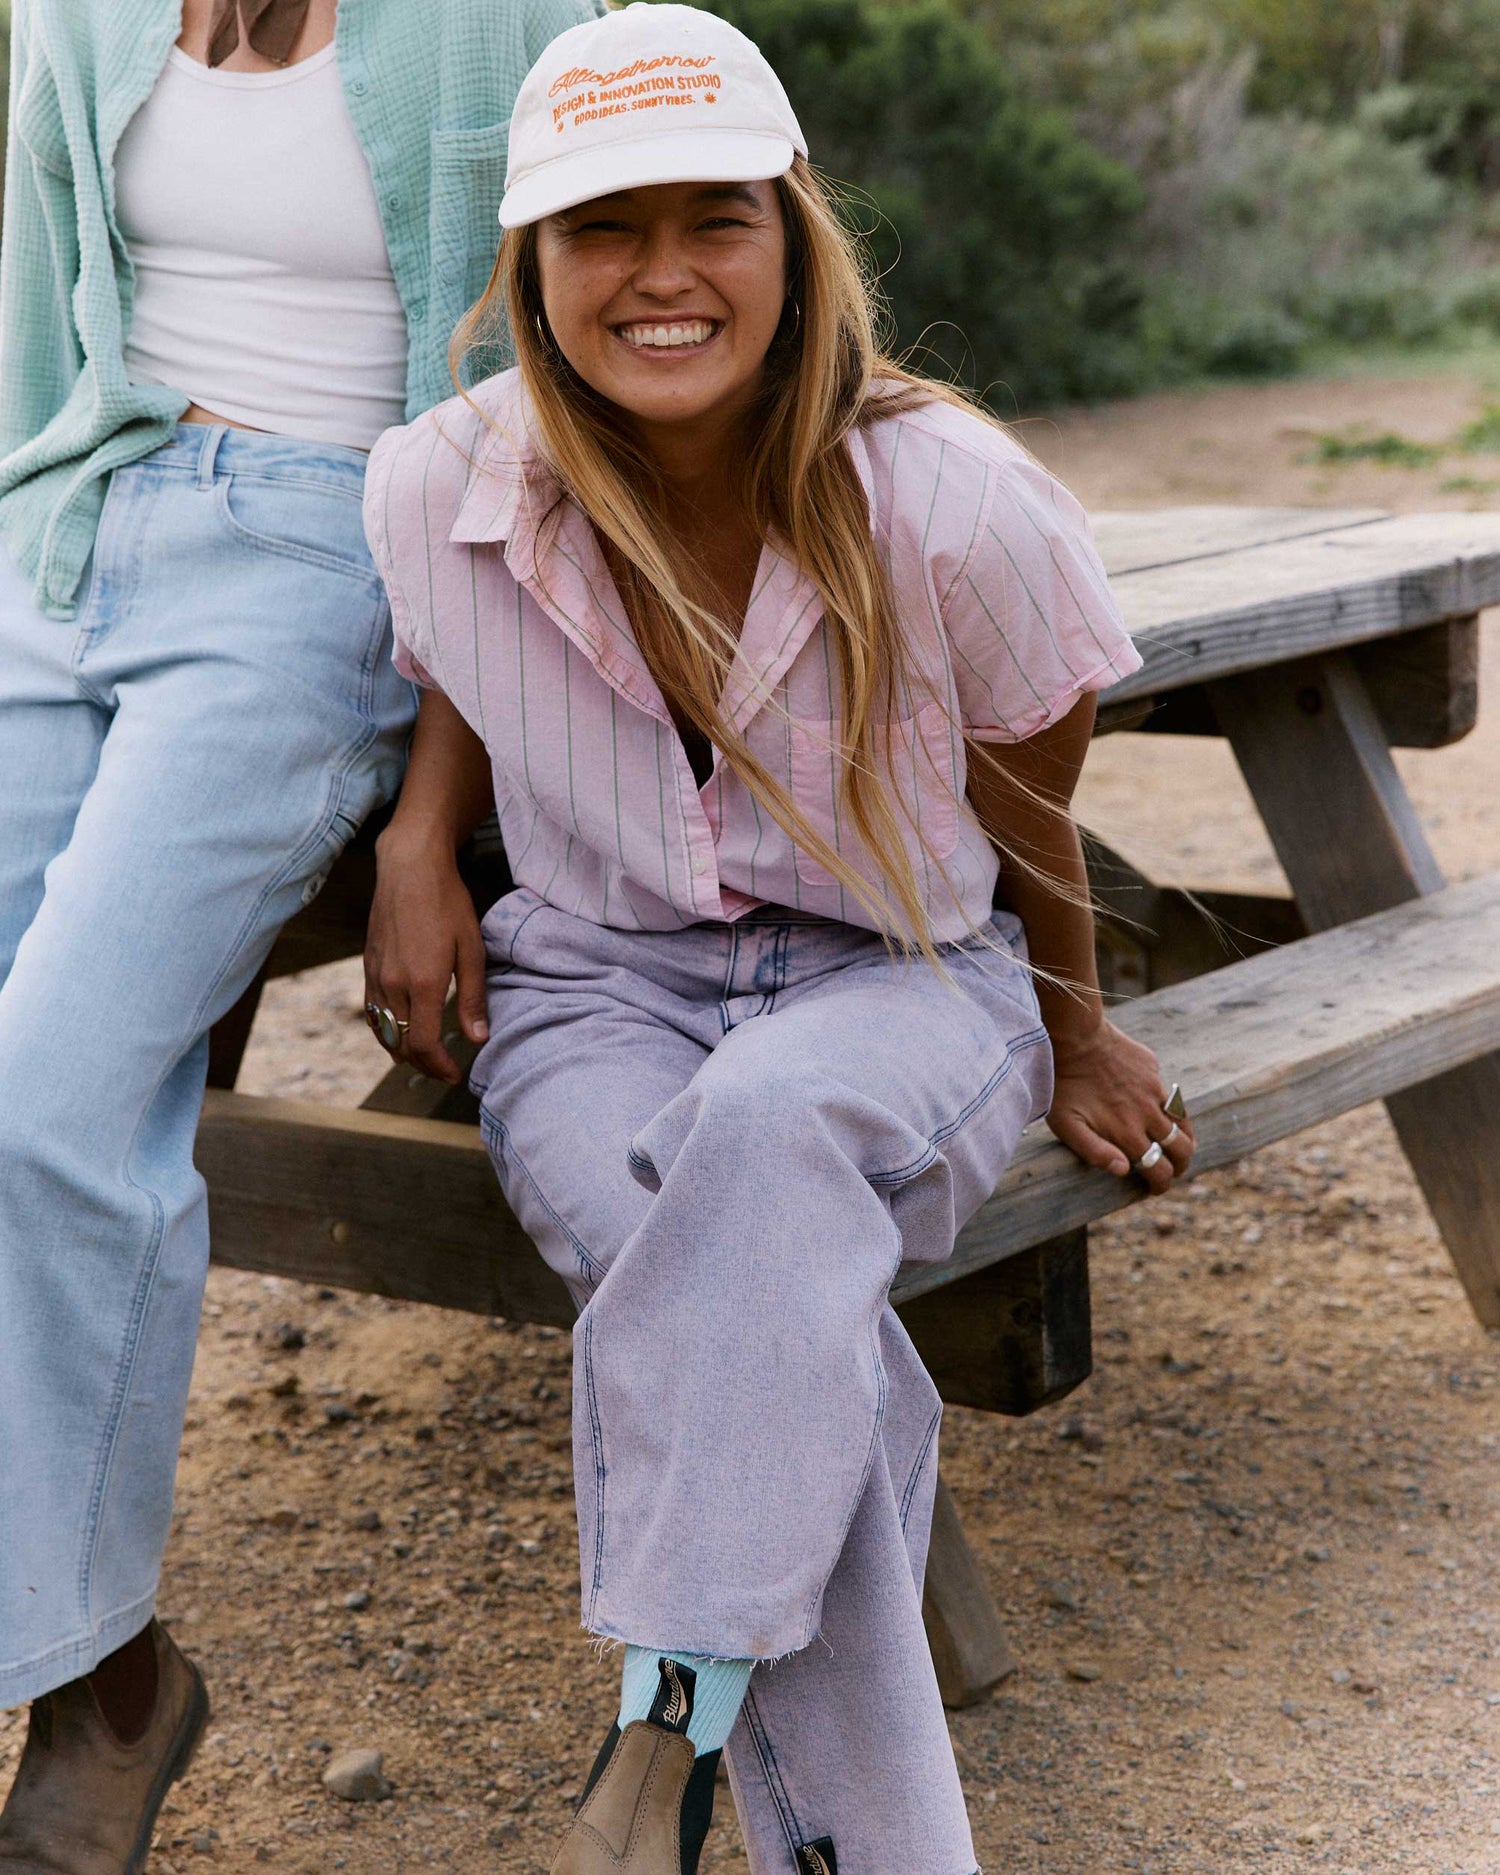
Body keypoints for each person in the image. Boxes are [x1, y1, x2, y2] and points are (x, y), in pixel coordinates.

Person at [362, 6, 1197, 1869]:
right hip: (593, 988)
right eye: (602, 231)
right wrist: (423, 835)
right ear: (532, 264)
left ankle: (666, 1728)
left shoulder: (956, 503)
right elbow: (459, 657)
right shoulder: (434, 482)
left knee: (756, 1153)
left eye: (711, 221)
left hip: (899, 979)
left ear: (795, 229)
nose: (661, 275)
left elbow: (1025, 800)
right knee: (761, 1300)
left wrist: (1075, 1031)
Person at [0, 0, 597, 1863]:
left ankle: (101, 1693)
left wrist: (435, 815)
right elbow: (40, 347)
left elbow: (542, 445)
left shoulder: (508, 19)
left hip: (324, 563)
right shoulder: (81, 16)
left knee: (48, 1103)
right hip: (67, 536)